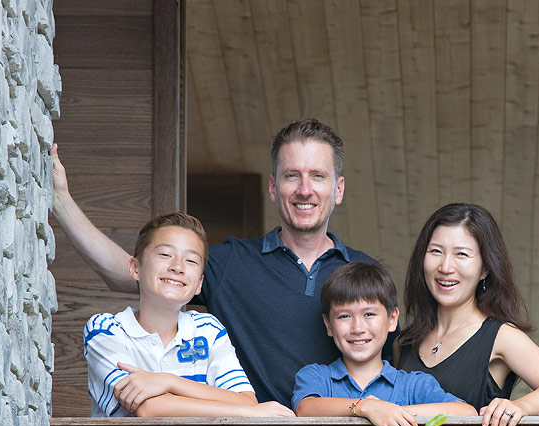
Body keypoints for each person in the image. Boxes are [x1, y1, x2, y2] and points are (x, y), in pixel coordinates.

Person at [51, 118, 379, 407]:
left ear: (338, 189)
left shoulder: (366, 275)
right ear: (273, 187)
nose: (304, 189)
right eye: (292, 175)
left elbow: (388, 367)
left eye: (318, 176)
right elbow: (134, 274)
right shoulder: (232, 263)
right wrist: (62, 203)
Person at [84, 212, 295, 418]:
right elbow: (149, 409)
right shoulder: (106, 329)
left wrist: (168, 381)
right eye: (165, 254)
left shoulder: (208, 329)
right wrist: (246, 412)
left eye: (191, 261)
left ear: (199, 284)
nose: (177, 267)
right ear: (135, 268)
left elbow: (245, 399)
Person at [396, 203, 539, 426]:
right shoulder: (405, 342)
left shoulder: (500, 336)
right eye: (436, 251)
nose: (446, 267)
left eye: (462, 254)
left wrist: (521, 406)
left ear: (485, 269)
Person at [293, 262, 476, 426]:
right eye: (345, 316)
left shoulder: (412, 384)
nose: (357, 328)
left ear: (392, 319)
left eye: (369, 314)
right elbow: (305, 408)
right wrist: (366, 408)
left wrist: (391, 412)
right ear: (328, 324)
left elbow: (466, 412)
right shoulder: (316, 376)